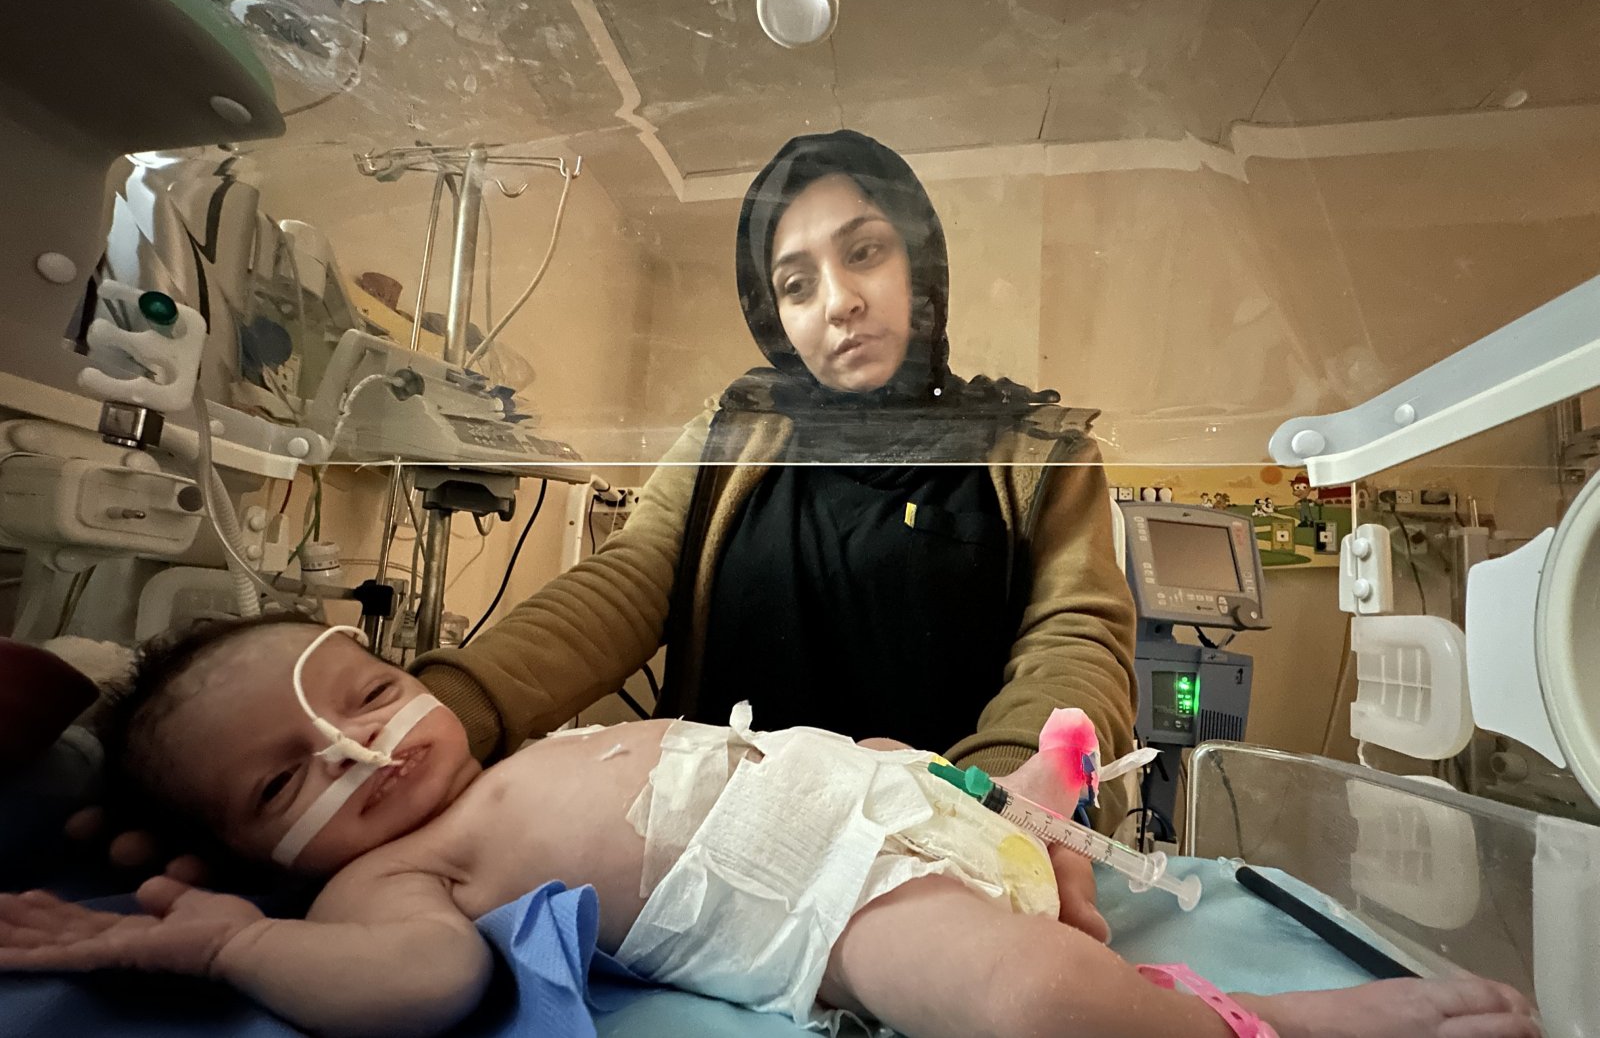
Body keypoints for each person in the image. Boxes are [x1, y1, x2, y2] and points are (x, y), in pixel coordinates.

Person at [1, 620, 1540, 1038]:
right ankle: (1275, 1017)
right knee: (1025, 1000)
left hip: (895, 799)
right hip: (840, 907)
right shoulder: (397, 877)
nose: (364, 747)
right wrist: (233, 945)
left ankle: (1053, 812)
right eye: (286, 780)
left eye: (373, 689)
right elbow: (418, 987)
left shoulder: (502, 756)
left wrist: (921, 772)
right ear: (252, 854)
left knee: (983, 800)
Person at [411, 130, 1137, 830]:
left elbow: (1075, 639)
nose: (839, 301)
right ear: (774, 317)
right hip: (723, 850)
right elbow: (624, 583)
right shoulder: (731, 439)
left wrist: (1007, 796)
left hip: (942, 852)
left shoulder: (1034, 456)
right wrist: (451, 705)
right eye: (796, 284)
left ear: (919, 265)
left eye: (865, 252)